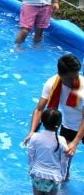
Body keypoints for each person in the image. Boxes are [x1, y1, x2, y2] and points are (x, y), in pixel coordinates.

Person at [24, 54, 83, 182]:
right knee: (65, 162)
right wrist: (32, 132)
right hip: (69, 125)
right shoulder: (51, 84)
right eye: (70, 78)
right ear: (60, 75)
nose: (74, 81)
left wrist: (75, 142)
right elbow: (39, 109)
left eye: (76, 76)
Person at [27, 108, 69, 195]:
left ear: (42, 121)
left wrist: (31, 169)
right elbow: (64, 161)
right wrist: (63, 176)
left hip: (37, 174)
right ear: (59, 123)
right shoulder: (61, 140)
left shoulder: (35, 137)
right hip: (54, 177)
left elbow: (30, 155)